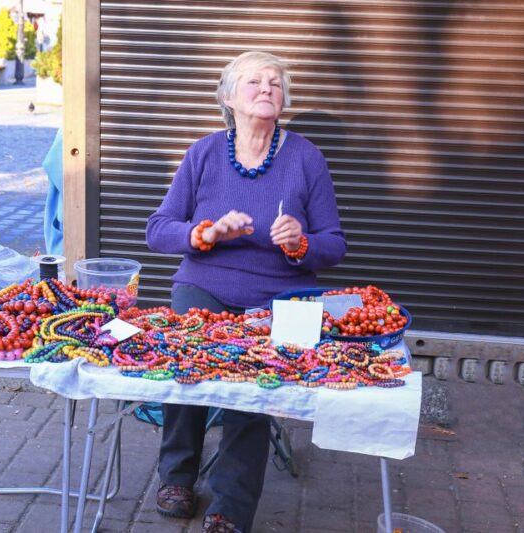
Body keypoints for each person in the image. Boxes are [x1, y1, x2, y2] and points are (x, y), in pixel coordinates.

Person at [145, 51, 347, 533]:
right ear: (228, 97)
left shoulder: (305, 157)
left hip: (281, 296)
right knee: (187, 360)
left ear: (284, 99)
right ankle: (177, 475)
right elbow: (158, 230)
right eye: (253, 81)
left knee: (256, 384)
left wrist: (301, 244)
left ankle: (231, 507)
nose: (266, 89)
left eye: (275, 83)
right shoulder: (204, 153)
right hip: (205, 284)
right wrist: (204, 234)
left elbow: (334, 245)